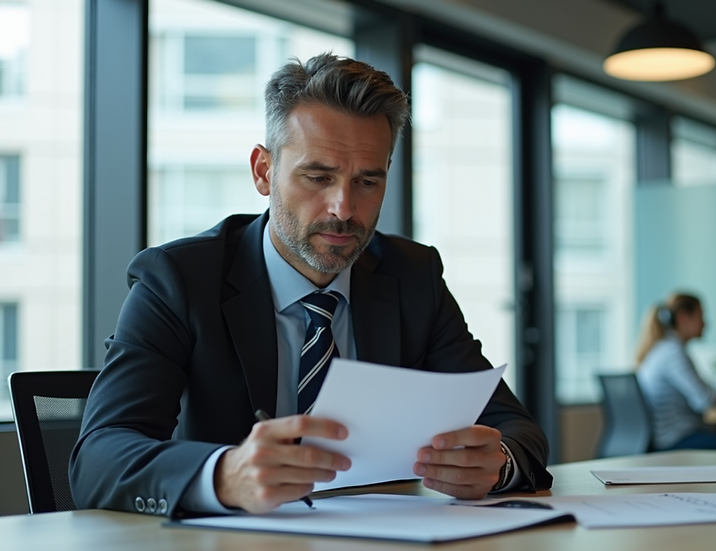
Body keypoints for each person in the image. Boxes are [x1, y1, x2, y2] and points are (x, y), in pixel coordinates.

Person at [69, 53, 551, 518]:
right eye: (318, 177)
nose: (343, 208)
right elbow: (99, 458)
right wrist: (223, 475)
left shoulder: (412, 275)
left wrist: (497, 464)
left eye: (367, 183)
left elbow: (514, 427)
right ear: (264, 171)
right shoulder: (178, 280)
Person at [634, 293, 716, 451]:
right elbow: (704, 400)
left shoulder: (662, 349)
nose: (705, 324)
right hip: (675, 441)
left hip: (668, 437)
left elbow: (703, 390)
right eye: (701, 316)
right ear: (683, 317)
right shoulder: (673, 353)